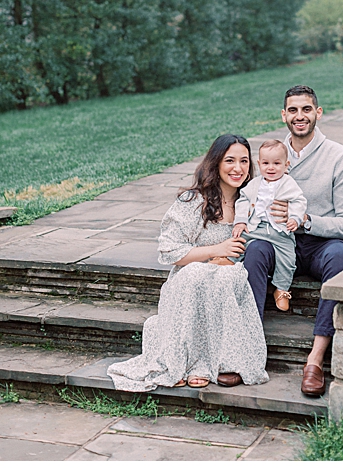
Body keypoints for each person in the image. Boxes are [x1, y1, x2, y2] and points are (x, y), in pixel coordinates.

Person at [107, 134, 269, 392]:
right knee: (196, 273)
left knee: (227, 276)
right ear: (215, 163)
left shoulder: (252, 203)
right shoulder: (194, 201)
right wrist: (215, 251)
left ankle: (218, 363)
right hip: (190, 281)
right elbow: (170, 251)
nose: (238, 168)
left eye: (244, 161)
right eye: (230, 160)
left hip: (228, 277)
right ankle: (184, 362)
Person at [243, 85, 343, 397]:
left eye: (306, 109)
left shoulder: (340, 157)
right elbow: (249, 195)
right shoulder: (272, 155)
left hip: (321, 245)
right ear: (284, 115)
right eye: (293, 110)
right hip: (279, 243)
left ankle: (315, 360)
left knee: (340, 255)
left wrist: (305, 220)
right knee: (254, 250)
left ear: (318, 113)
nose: (300, 116)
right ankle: (247, 350)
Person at [231, 140, 307, 312]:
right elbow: (243, 200)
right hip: (256, 228)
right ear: (259, 164)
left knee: (288, 258)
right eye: (266, 163)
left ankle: (281, 288)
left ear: (286, 165)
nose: (270, 168)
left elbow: (299, 201)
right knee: (239, 239)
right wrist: (241, 220)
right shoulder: (255, 184)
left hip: (280, 231)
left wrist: (295, 217)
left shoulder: (288, 184)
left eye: (276, 163)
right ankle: (228, 260)